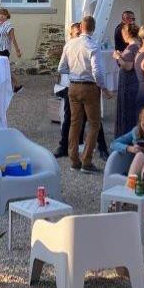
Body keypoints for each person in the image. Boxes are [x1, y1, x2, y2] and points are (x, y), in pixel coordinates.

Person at [56, 15, 112, 173]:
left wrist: (74, 71)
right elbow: (98, 72)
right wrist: (105, 88)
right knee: (94, 124)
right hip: (89, 87)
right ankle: (86, 161)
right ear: (93, 29)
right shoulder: (93, 45)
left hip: (73, 86)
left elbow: (61, 67)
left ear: (80, 27)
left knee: (75, 123)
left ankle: (74, 160)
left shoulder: (70, 44)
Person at [113, 22, 141, 137]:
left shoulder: (131, 47)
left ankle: (125, 137)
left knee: (127, 111)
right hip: (133, 82)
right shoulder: (138, 45)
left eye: (123, 33)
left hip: (128, 84)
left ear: (127, 34)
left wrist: (118, 57)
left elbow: (128, 66)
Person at [0, 7, 24, 94]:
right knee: (3, 69)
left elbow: (13, 38)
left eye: (2, 15)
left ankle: (16, 86)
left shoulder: (8, 25)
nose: (0, 16)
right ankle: (16, 86)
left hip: (4, 50)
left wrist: (17, 50)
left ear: (6, 15)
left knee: (4, 69)